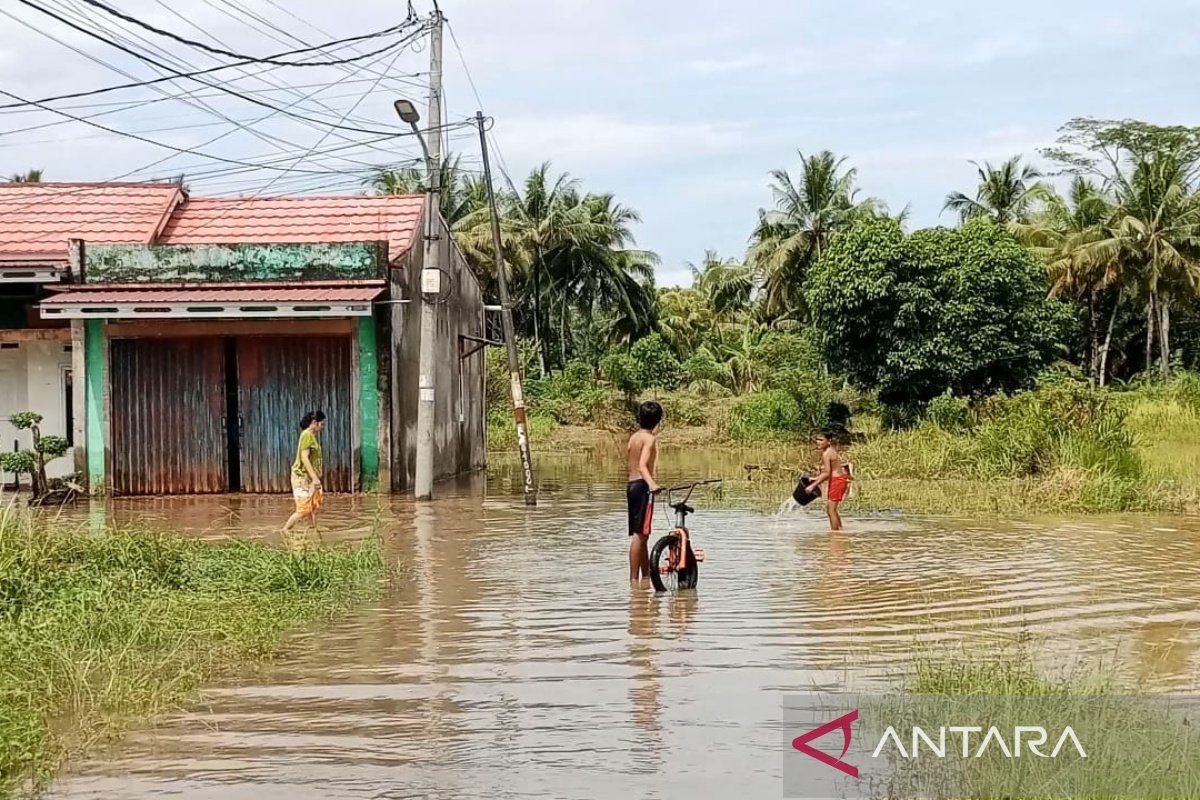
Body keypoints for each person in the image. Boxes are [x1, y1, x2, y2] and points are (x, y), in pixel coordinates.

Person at [626, 400, 663, 582]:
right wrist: (652, 484)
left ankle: (646, 577)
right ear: (658, 420)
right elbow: (642, 466)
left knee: (643, 534)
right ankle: (634, 580)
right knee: (639, 535)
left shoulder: (633, 438)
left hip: (631, 486)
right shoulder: (650, 439)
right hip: (642, 486)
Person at [284, 410, 326, 533]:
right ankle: (285, 531)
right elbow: (304, 457)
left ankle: (313, 532)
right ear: (314, 423)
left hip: (308, 478)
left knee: (312, 507)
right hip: (302, 477)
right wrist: (315, 478)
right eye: (321, 424)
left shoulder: (310, 436)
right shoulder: (307, 435)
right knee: (303, 510)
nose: (322, 427)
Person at [804, 429, 850, 531]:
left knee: (831, 510)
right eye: (817, 440)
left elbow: (826, 473)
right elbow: (831, 471)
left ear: (828, 441)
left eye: (821, 440)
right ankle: (841, 531)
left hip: (837, 481)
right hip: (838, 480)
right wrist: (816, 478)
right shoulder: (830, 451)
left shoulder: (826, 454)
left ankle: (835, 535)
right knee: (833, 510)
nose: (818, 442)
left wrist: (813, 485)